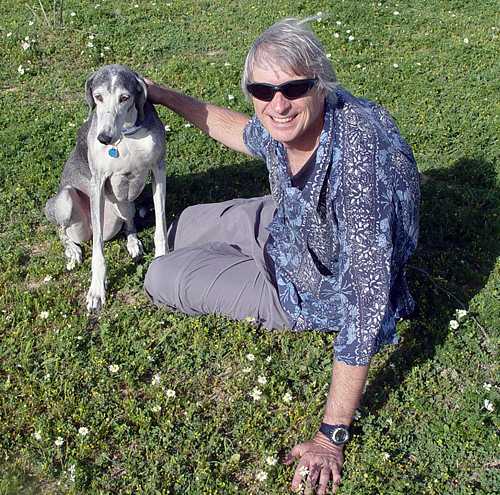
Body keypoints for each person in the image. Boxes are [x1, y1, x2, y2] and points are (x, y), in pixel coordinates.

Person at [144, 17, 420, 494]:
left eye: (294, 87)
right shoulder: (281, 122)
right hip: (287, 224)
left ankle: (244, 275)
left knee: (162, 273)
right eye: (263, 89)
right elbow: (243, 133)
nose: (278, 103)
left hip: (312, 286)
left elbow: (368, 298)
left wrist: (331, 436)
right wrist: (164, 95)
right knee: (182, 225)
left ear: (321, 84)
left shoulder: (358, 157)